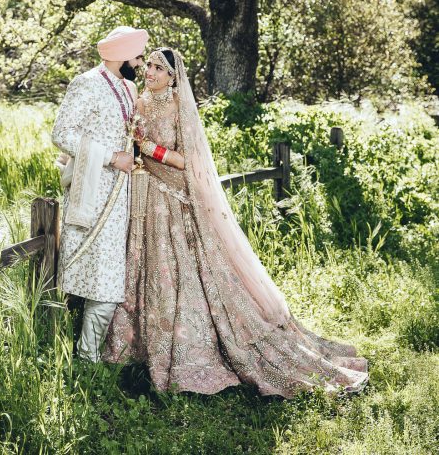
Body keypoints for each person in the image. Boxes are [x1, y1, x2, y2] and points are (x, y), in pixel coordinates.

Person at [102, 47, 369, 397]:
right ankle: (137, 347)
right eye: (148, 65)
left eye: (158, 68)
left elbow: (189, 162)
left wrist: (149, 148)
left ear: (173, 76)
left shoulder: (178, 106)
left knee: (180, 270)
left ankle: (192, 346)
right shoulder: (139, 102)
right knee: (147, 266)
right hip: (146, 194)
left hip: (174, 197)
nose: (149, 72)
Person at [51, 25, 148, 362]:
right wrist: (110, 157)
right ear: (121, 54)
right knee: (98, 278)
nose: (139, 62)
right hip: (93, 194)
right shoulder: (87, 84)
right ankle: (85, 359)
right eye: (136, 55)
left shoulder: (129, 88)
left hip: (124, 195)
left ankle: (88, 354)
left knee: (108, 275)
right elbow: (62, 134)